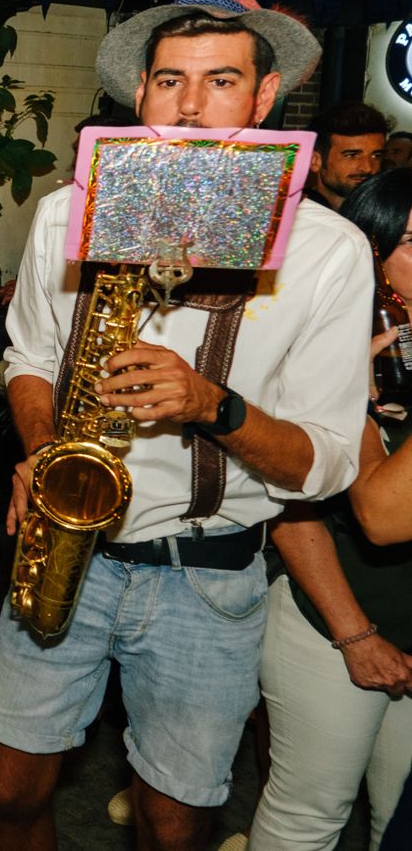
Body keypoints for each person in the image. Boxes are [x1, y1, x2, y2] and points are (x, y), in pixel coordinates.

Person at [0, 0, 372, 851]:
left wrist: (212, 405)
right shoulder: (63, 216)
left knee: (174, 822)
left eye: (221, 81)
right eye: (169, 81)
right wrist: (47, 453)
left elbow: (329, 463)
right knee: (8, 792)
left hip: (209, 577)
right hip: (68, 547)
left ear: (267, 95)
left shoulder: (330, 252)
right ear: (139, 90)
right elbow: (31, 358)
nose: (189, 108)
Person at [244, 167, 412, 850]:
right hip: (336, 621)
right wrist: (354, 633)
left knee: (397, 819)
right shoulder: (330, 348)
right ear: (369, 253)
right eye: (410, 242)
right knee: (309, 817)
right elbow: (289, 507)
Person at [304, 100, 388, 210]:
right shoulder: (292, 218)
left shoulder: (393, 217)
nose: (367, 168)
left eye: (376, 156)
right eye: (352, 155)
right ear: (315, 160)